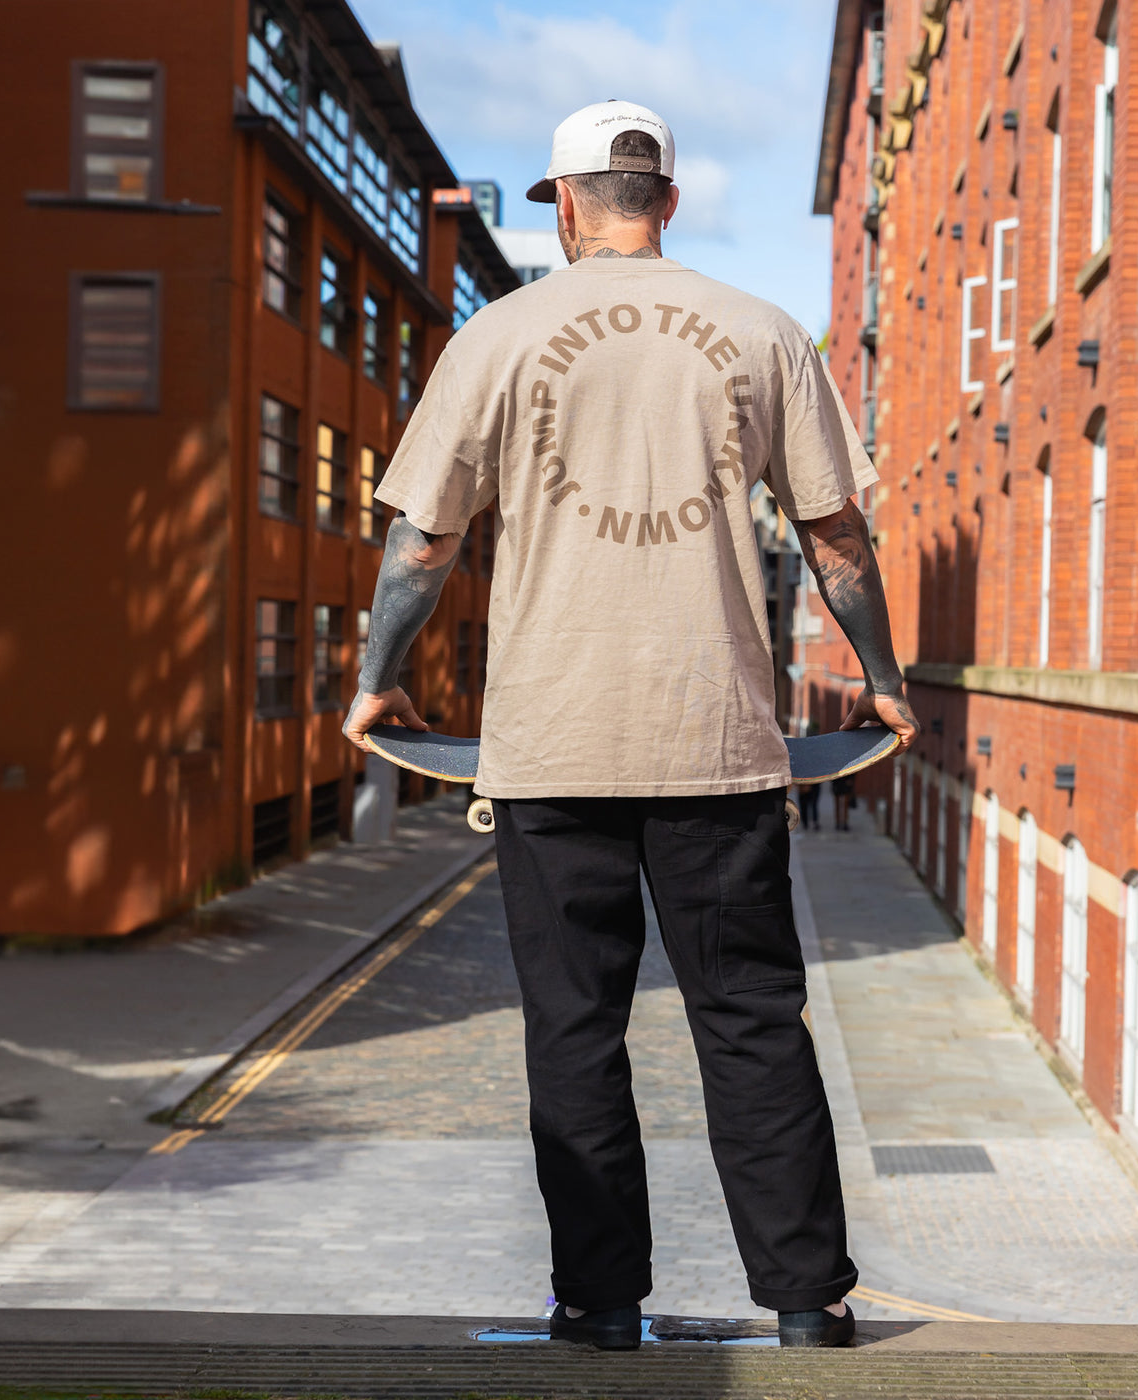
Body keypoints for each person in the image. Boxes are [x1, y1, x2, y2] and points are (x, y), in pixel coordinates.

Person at [344, 100, 919, 1350]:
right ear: (666, 198)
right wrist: (878, 676)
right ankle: (808, 1302)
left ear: (559, 200)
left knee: (571, 1028)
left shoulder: (493, 337)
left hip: (551, 745)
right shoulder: (763, 333)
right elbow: (836, 540)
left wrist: (373, 676)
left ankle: (600, 1303)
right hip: (716, 743)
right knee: (752, 1022)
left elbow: (419, 543)